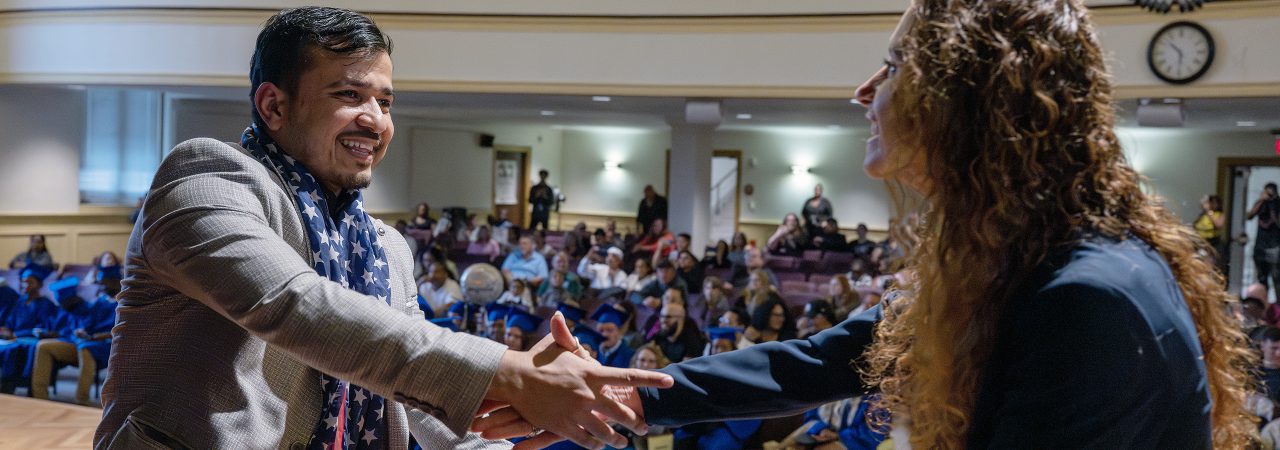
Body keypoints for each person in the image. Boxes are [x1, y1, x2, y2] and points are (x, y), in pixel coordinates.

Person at [476, 2, 1257, 448]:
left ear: (965, 98)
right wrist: (623, 393)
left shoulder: (1083, 300)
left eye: (895, 64)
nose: (864, 89)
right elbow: (822, 361)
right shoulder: (1016, 260)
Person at [97, 8, 669, 450]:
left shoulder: (385, 246)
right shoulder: (206, 178)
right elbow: (294, 305)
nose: (374, 120)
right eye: (349, 95)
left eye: (385, 102)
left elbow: (412, 388)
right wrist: (512, 372)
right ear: (273, 106)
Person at [30, 276, 116, 404]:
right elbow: (75, 329)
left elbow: (112, 332)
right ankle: (40, 397)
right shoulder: (95, 303)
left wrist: (89, 335)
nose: (101, 286)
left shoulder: (114, 305)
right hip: (78, 343)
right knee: (43, 346)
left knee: (85, 348)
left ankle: (81, 400)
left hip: (101, 347)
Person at [0, 269, 58, 394]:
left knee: (26, 348)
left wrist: (16, 335)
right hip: (14, 338)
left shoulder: (46, 304)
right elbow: (10, 322)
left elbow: (42, 328)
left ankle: (27, 385)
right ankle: (6, 384)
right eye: (23, 282)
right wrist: (7, 330)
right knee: (6, 348)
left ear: (39, 284)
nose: (25, 285)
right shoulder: (20, 301)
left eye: (30, 282)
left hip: (31, 337)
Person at [1250, 184, 1280, 293]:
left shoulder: (1278, 204)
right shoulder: (1261, 203)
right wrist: (1261, 201)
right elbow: (1250, 215)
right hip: (1260, 246)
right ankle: (1263, 300)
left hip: (1273, 247)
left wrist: (1273, 205)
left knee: (1276, 278)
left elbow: (1277, 222)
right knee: (1261, 279)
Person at [591, 305, 635, 369]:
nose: (604, 335)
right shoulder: (592, 351)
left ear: (619, 332)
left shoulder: (631, 356)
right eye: (601, 330)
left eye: (609, 330)